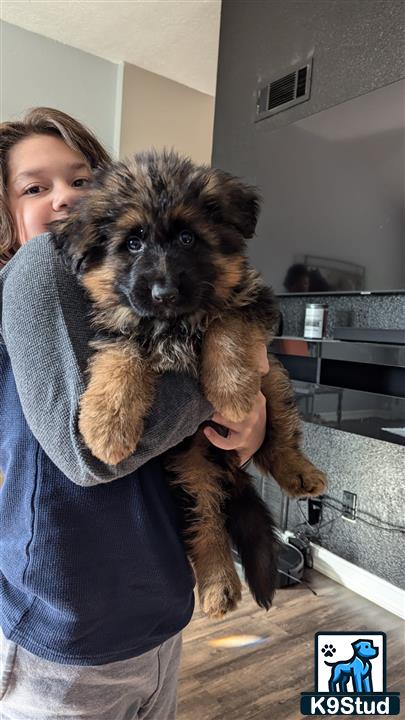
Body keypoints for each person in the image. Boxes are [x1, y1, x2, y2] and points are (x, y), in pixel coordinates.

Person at [0, 107, 269, 720]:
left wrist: (250, 410)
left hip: (152, 600)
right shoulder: (35, 270)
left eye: (81, 179)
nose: (65, 199)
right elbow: (90, 453)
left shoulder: (113, 278)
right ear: (8, 214)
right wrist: (233, 376)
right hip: (72, 623)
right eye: (35, 188)